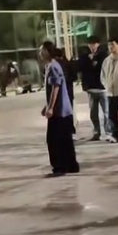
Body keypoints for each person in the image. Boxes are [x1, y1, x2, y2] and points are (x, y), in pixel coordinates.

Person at [40, 41, 79, 177]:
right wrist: (47, 106)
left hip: (59, 111)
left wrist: (50, 108)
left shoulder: (52, 66)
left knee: (54, 140)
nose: (40, 53)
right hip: (64, 109)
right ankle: (71, 165)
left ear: (47, 51)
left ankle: (59, 166)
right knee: (65, 139)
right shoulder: (53, 65)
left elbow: (55, 87)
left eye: (42, 50)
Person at [78, 35, 110, 141]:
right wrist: (88, 60)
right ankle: (96, 132)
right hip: (91, 88)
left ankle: (108, 132)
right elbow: (80, 67)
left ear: (98, 44)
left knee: (106, 112)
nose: (92, 46)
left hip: (103, 88)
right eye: (90, 44)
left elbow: (104, 68)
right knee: (93, 113)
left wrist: (95, 61)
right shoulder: (84, 55)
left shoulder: (103, 55)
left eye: (94, 44)